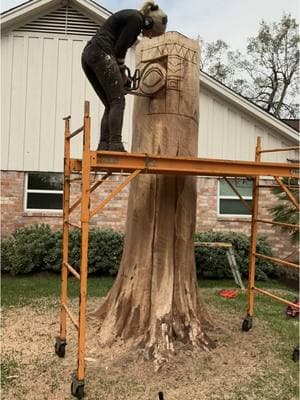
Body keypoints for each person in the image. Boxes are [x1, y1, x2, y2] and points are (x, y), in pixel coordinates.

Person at [81, 1, 168, 152]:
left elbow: (118, 52)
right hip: (101, 53)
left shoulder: (132, 18)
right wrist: (122, 75)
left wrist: (122, 74)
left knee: (111, 103)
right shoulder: (136, 20)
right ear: (149, 23)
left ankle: (103, 145)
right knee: (118, 101)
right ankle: (115, 144)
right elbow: (119, 50)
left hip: (89, 55)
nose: (150, 37)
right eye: (153, 33)